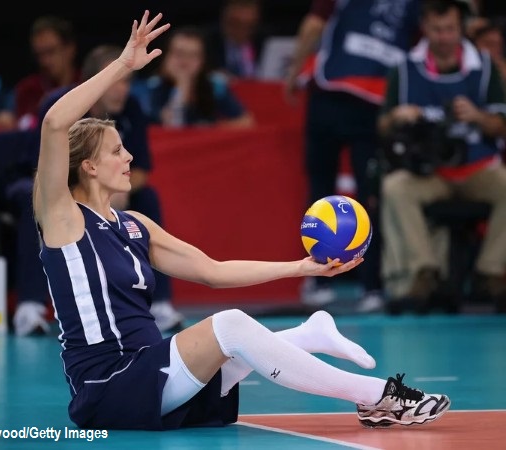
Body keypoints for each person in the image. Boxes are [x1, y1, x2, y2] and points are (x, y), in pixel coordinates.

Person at [33, 10, 450, 431]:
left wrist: (302, 268)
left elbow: (213, 272)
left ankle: (309, 336)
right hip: (110, 385)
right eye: (115, 151)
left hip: (154, 374)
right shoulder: (63, 218)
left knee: (232, 338)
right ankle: (380, 395)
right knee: (229, 326)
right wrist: (124, 64)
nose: (129, 156)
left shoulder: (134, 224)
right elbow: (54, 124)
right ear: (88, 166)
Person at [11, 44, 183, 335]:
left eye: (127, 82)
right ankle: (29, 307)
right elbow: (43, 170)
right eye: (116, 81)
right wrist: (90, 193)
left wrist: (116, 189)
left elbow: (141, 168)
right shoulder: (61, 104)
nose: (122, 90)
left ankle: (160, 304)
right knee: (31, 201)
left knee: (148, 197)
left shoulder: (131, 108)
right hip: (57, 189)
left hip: (103, 189)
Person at [284, 0, 422, 313]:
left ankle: (319, 281)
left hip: (334, 95)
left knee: (321, 190)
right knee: (370, 195)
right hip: (373, 102)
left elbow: (314, 25)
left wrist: (293, 73)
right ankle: (372, 287)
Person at [377, 0, 506, 314]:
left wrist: (477, 116)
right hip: (428, 172)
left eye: (450, 29)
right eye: (437, 30)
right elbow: (381, 126)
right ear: (424, 28)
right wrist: (397, 116)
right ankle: (422, 273)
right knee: (395, 187)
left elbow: (501, 124)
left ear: (460, 28)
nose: (444, 36)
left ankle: (491, 272)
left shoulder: (484, 66)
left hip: (477, 167)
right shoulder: (405, 68)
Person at [136, 25, 254, 128]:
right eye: (179, 54)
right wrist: (182, 88)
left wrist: (211, 129)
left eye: (192, 55)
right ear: (165, 57)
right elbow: (171, 125)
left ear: (202, 61)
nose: (185, 62)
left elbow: (245, 121)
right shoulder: (151, 88)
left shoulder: (215, 87)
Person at [14, 15, 81, 130]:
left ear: (70, 49)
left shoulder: (88, 82)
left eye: (51, 51)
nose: (44, 61)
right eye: (39, 54)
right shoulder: (27, 90)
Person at [203, 0, 269, 79]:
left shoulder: (265, 43)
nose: (242, 30)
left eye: (249, 26)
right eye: (237, 24)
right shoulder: (206, 42)